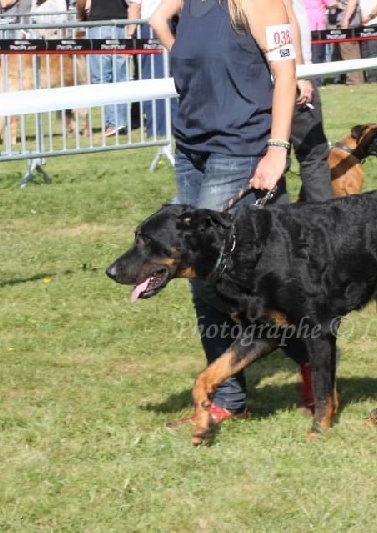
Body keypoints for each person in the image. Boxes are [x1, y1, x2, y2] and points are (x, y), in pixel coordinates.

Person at [149, 0, 303, 423]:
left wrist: (277, 149)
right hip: (192, 151)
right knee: (214, 279)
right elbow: (158, 22)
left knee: (216, 278)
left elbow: (286, 72)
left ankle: (238, 392)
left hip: (241, 149)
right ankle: (234, 394)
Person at [291, 0, 337, 202]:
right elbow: (287, 26)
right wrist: (301, 73)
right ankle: (328, 221)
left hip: (275, 79)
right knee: (314, 156)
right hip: (292, 78)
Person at [80, 0, 140, 136]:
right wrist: (130, 33)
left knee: (101, 77)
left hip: (99, 24)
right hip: (121, 24)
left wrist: (82, 15)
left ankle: (114, 122)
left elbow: (84, 4)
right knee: (121, 77)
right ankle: (121, 121)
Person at [137, 0, 176, 138]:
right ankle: (171, 125)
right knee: (167, 79)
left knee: (151, 79)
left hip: (151, 27)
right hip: (167, 25)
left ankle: (157, 128)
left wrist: (129, 33)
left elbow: (135, 7)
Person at [338, 0, 365, 85]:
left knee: (349, 53)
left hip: (348, 25)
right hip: (352, 23)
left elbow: (352, 2)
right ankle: (358, 79)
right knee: (354, 53)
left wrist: (346, 19)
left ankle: (353, 80)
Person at [360, 0, 377, 83]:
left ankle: (374, 78)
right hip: (362, 24)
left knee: (373, 52)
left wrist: (370, 16)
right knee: (364, 53)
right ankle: (366, 77)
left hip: (375, 22)